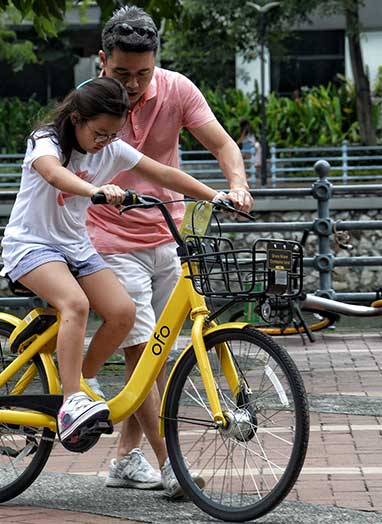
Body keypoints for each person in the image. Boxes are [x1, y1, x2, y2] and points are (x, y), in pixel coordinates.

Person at [0, 77, 225, 445]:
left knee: (123, 313)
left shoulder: (112, 148)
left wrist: (216, 195)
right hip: (31, 245)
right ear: (76, 119)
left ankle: (81, 379)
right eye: (99, 133)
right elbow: (54, 174)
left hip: (75, 246)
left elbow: (164, 174)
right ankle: (71, 400)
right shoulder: (46, 140)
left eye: (112, 134)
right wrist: (95, 190)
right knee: (75, 303)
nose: (105, 142)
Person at [86, 5, 254, 499]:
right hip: (109, 238)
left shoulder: (178, 89)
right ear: (102, 61)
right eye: (122, 73)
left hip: (169, 235)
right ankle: (171, 464)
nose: (134, 84)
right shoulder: (90, 100)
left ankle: (123, 459)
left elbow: (222, 143)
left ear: (156, 62)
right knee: (143, 349)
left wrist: (237, 185)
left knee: (156, 358)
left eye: (143, 73)